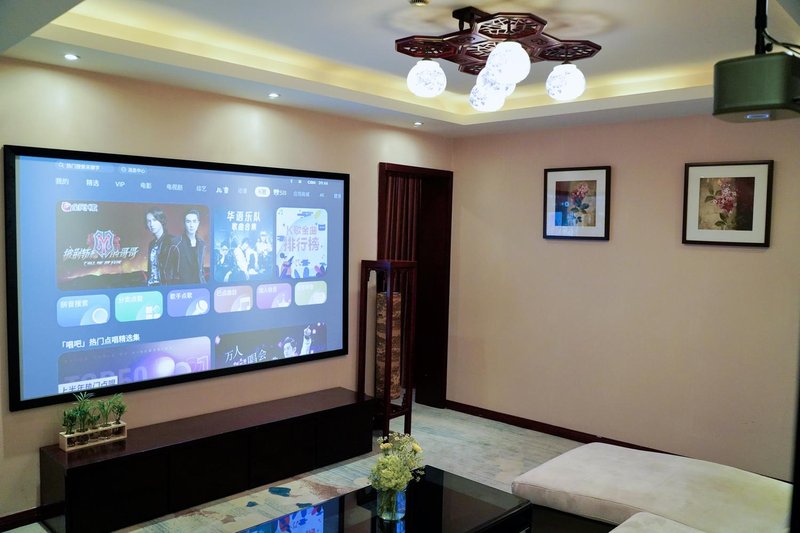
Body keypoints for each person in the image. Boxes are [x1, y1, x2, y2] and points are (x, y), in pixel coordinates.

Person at [145, 207, 178, 285]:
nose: (151, 224)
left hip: (165, 285)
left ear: (161, 220)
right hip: (151, 285)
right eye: (149, 221)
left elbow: (177, 269)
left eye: (154, 220)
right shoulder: (151, 244)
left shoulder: (172, 241)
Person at [173, 209, 206, 284]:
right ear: (184, 223)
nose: (191, 225)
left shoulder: (202, 244)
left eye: (194, 221)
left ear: (198, 223)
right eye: (188, 221)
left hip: (200, 285)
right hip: (182, 286)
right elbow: (170, 270)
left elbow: (201, 269)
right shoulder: (176, 243)